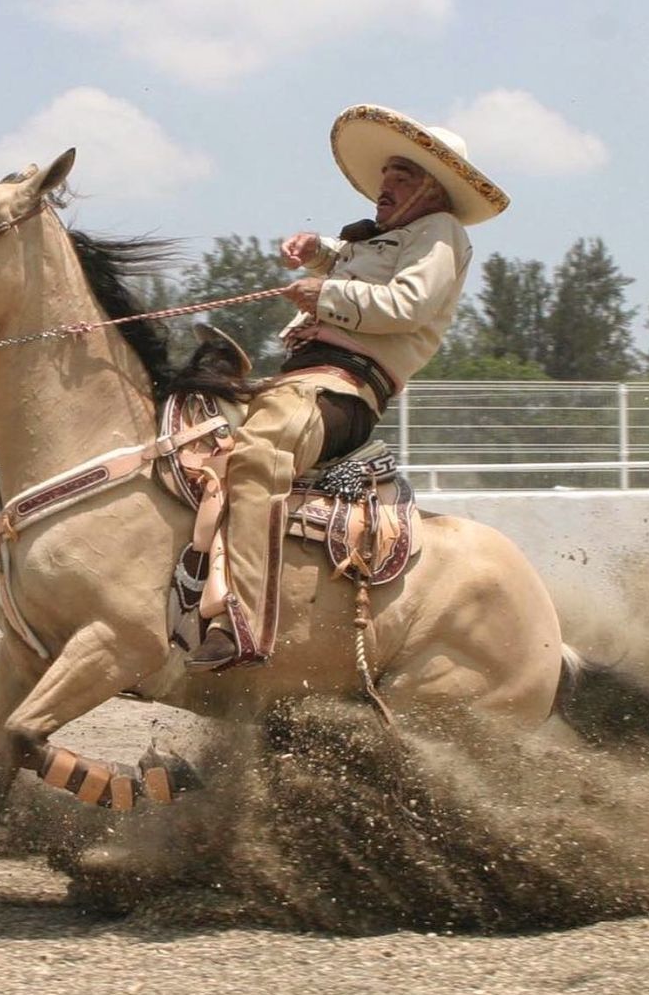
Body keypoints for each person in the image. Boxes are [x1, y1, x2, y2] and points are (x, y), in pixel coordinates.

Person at [186, 104, 510, 672]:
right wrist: (318, 252)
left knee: (259, 455)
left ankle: (242, 623)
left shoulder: (441, 233)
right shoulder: (394, 237)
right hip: (302, 382)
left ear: (433, 189)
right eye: (385, 175)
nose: (385, 185)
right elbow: (359, 259)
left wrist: (324, 295)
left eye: (402, 177)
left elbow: (407, 304)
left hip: (342, 391)